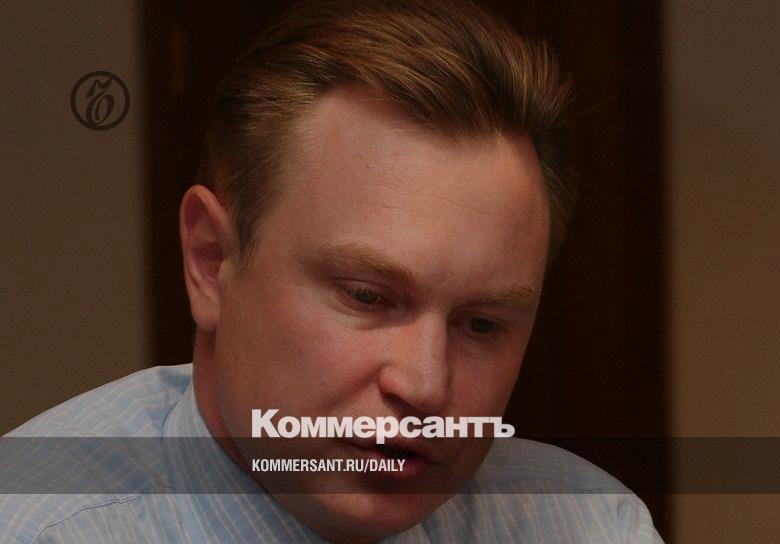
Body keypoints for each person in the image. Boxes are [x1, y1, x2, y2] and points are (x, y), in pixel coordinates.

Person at [0, 0, 663, 542]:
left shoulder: (585, 526)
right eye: (368, 297)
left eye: (482, 324)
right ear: (210, 262)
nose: (426, 387)